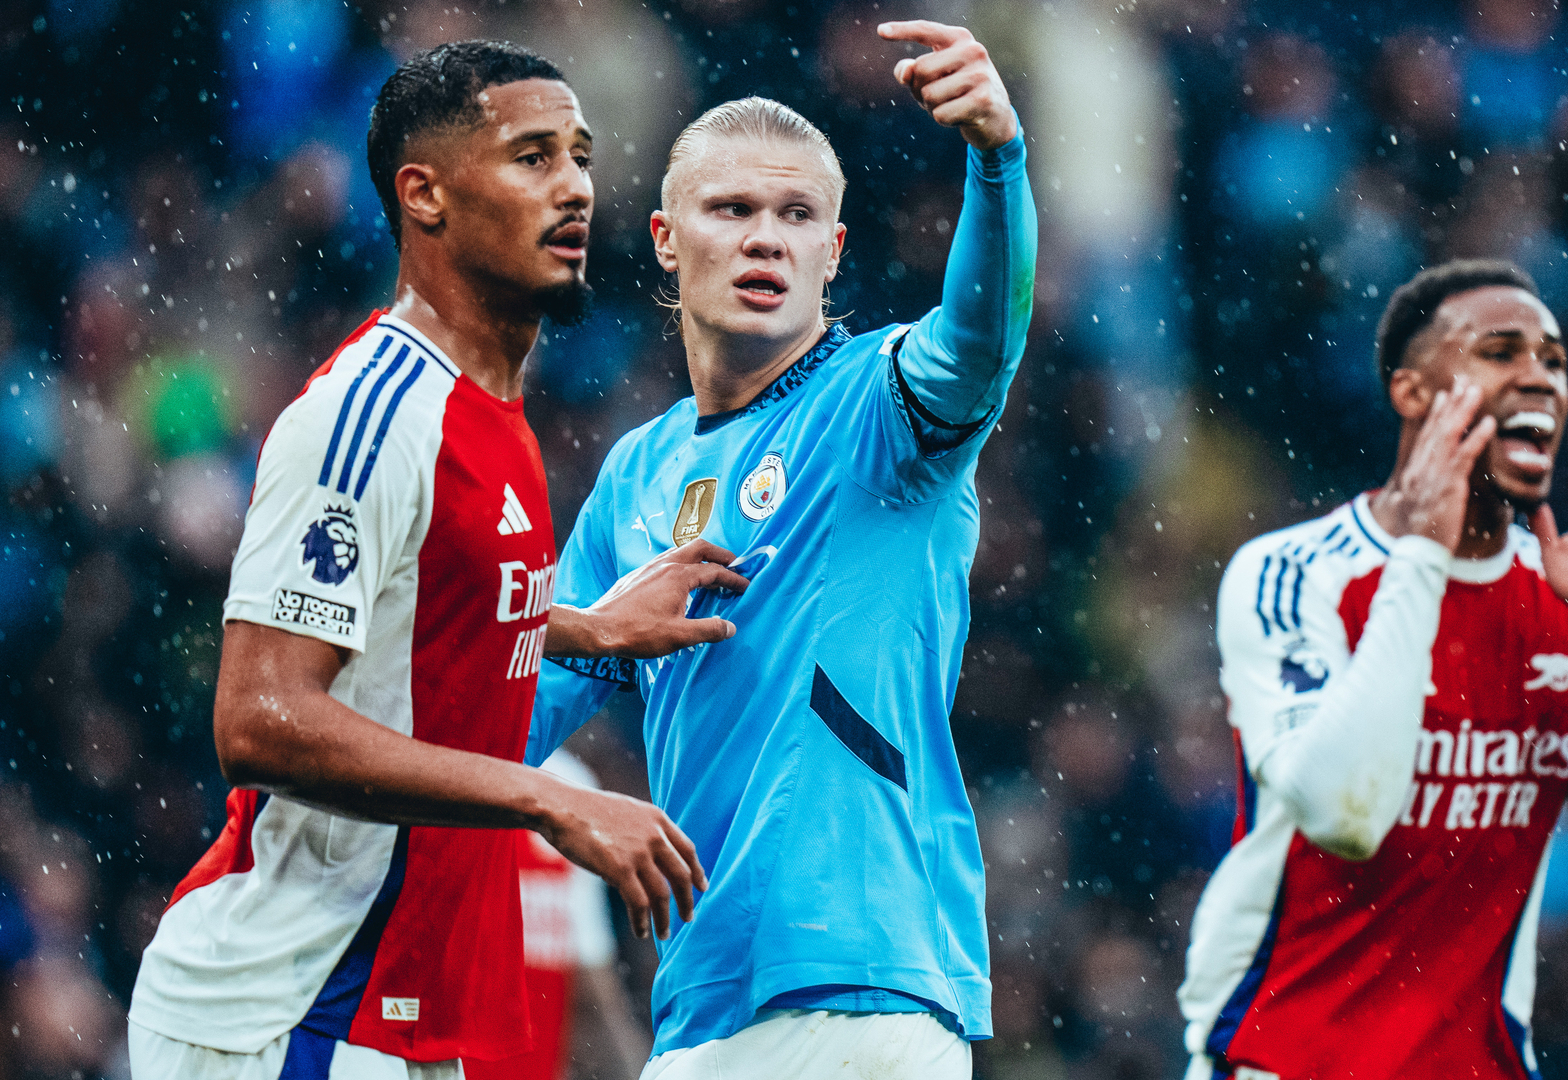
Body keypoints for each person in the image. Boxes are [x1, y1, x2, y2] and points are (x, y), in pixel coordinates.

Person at [127, 41, 746, 1080]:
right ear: (425, 195)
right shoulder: (369, 416)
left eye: (581, 157)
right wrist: (548, 797)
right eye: (533, 157)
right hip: (287, 1008)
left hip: (398, 1017)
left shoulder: (495, 413)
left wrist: (590, 628)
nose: (574, 187)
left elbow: (421, 600)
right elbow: (259, 716)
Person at [528, 19, 1036, 1079]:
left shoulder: (875, 410)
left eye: (797, 215)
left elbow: (977, 346)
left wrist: (997, 162)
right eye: (733, 209)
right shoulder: (636, 472)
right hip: (704, 999)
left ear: (832, 253)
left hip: (860, 985)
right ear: (666, 239)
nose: (767, 238)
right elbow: (519, 711)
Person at [1177, 259, 1568, 1079]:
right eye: (1500, 352)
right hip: (1286, 1062)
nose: (1539, 377)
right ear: (1412, 392)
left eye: (1553, 360)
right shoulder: (1294, 574)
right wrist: (1423, 556)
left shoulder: (1564, 598)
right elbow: (1344, 813)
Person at [464, 749, 650, 1080]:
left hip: (528, 1053)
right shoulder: (448, 770)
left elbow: (590, 964)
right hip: (457, 1046)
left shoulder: (570, 783)